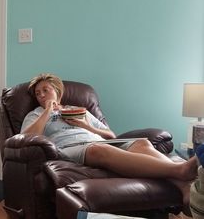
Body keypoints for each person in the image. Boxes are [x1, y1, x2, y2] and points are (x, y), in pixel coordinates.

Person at [21, 73, 199, 205]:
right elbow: (27, 137)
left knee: (142, 142)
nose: (42, 95)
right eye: (38, 93)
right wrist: (47, 111)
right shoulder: (35, 114)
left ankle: (183, 185)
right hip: (70, 147)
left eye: (46, 90)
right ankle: (181, 170)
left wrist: (84, 125)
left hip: (97, 140)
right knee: (100, 150)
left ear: (57, 91)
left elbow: (111, 135)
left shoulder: (78, 109)